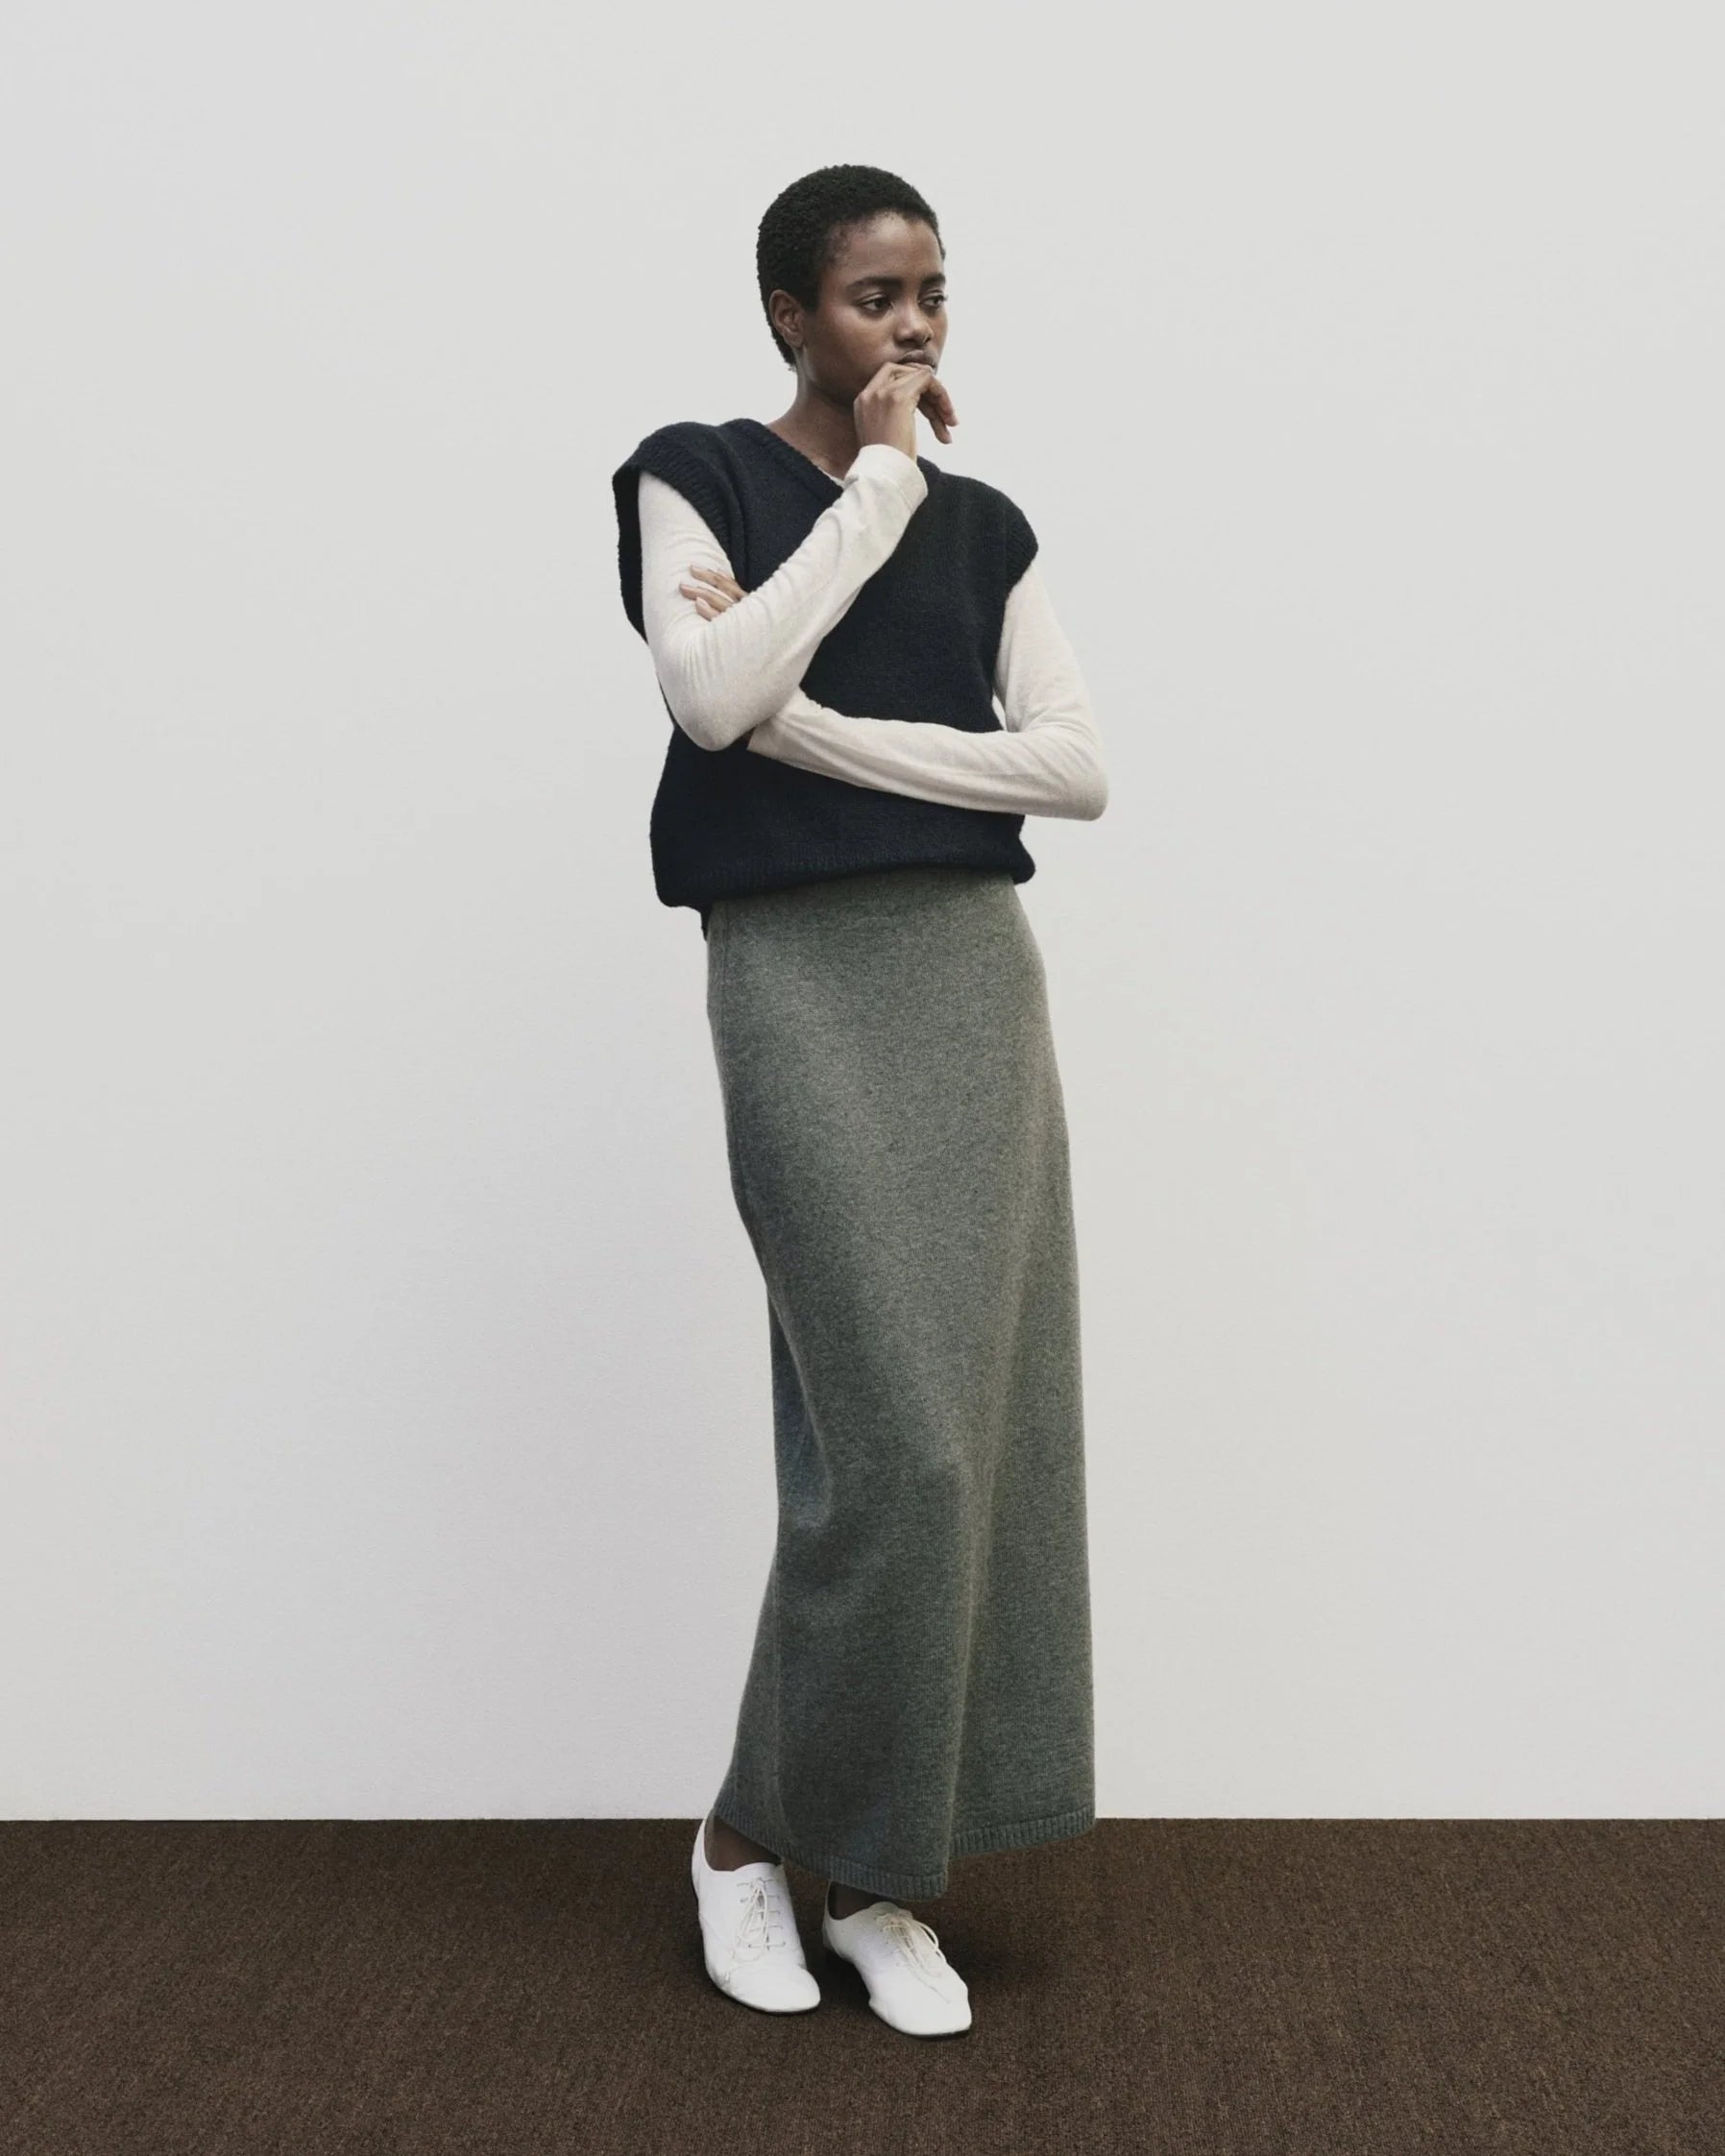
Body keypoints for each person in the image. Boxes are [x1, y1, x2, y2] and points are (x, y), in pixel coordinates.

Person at [610, 163, 1107, 2040]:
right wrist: (876, 493)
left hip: (971, 979)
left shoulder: (991, 526)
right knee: (894, 1453)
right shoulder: (694, 477)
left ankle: (883, 1874)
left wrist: (818, 733)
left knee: (986, 1444)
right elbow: (709, 694)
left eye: (932, 294)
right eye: (873, 296)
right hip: (797, 979)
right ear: (789, 316)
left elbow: (1071, 769)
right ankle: (747, 1839)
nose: (911, 325)